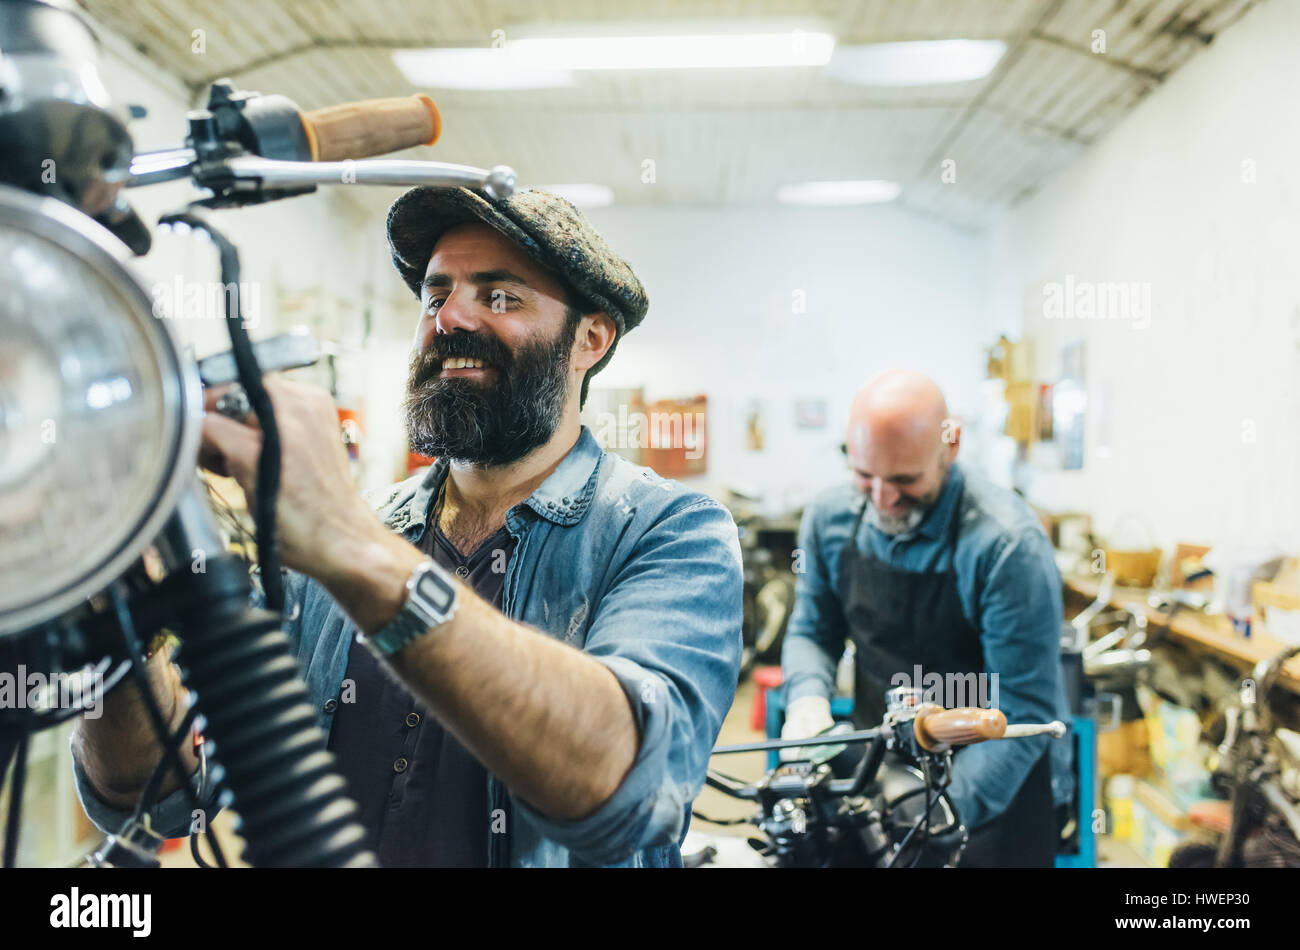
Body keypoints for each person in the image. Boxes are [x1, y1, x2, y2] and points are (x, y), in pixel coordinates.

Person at [71, 187, 744, 867]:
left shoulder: (671, 532)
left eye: (499, 295)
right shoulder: (335, 539)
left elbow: (627, 790)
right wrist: (121, 612)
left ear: (590, 339)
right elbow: (157, 799)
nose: (448, 318)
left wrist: (352, 549)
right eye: (435, 293)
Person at [780, 370, 1073, 866]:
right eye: (864, 475)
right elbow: (813, 629)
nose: (881, 498)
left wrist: (937, 810)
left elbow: (1024, 706)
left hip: (994, 775)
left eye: (904, 480)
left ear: (950, 445)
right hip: (886, 755)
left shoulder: (1007, 546)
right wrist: (807, 697)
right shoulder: (829, 517)